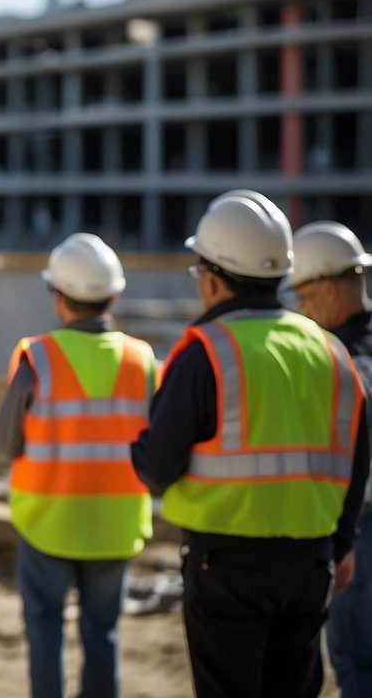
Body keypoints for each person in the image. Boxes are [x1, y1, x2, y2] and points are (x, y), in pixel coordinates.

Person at [131, 190, 369, 698]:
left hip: (226, 565)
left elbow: (156, 467)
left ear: (213, 278)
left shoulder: (205, 352)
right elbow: (356, 458)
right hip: (311, 562)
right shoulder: (330, 350)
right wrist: (341, 545)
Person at [0, 232, 156, 698]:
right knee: (103, 634)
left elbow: (4, 444)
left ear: (58, 297)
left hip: (49, 522)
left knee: (45, 630)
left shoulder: (37, 356)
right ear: (114, 296)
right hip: (117, 526)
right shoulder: (143, 360)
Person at [289, 220, 372, 697]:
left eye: (302, 299)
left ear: (324, 290)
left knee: (357, 662)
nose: (300, 310)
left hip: (358, 533)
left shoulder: (338, 360)